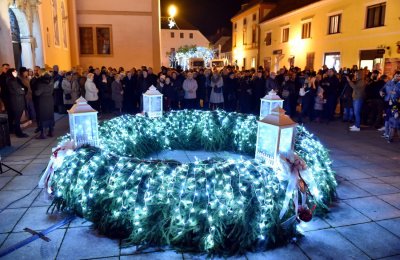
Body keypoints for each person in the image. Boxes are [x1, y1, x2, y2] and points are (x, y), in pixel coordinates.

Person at [6, 68, 28, 137]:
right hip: (16, 101)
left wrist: (22, 89)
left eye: (16, 71)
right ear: (11, 73)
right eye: (14, 71)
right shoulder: (12, 80)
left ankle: (17, 131)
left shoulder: (15, 80)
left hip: (18, 100)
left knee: (17, 118)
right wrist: (22, 90)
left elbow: (23, 88)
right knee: (17, 118)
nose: (16, 72)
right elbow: (20, 91)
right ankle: (18, 132)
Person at [34, 71, 55, 138]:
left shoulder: (41, 84)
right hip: (50, 100)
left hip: (43, 101)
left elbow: (37, 93)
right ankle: (51, 131)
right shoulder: (51, 83)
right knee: (50, 115)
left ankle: (43, 134)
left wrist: (34, 91)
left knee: (43, 116)